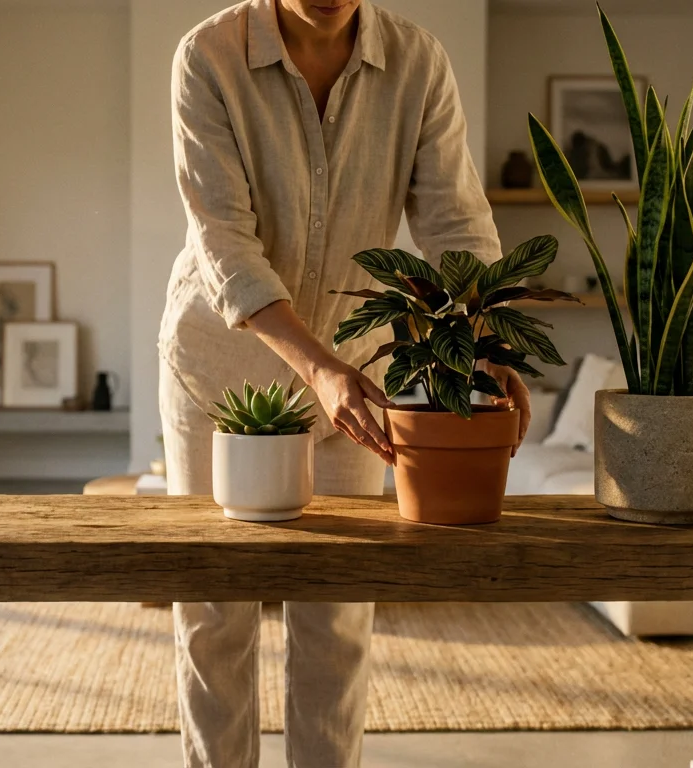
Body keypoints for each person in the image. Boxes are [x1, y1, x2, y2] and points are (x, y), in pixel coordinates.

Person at [157, 1, 532, 765]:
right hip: (218, 377)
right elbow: (223, 238)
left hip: (353, 389)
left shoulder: (419, 64)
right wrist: (319, 364)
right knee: (215, 613)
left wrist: (491, 348)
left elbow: (455, 223)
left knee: (337, 616)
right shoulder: (206, 57)